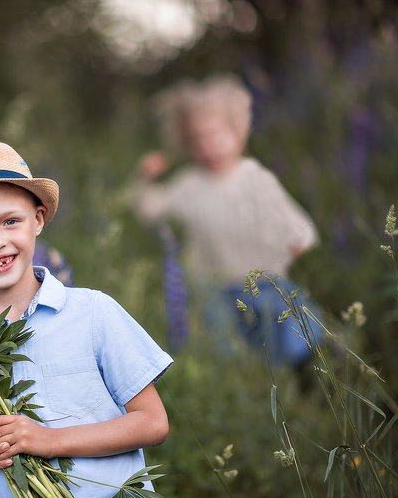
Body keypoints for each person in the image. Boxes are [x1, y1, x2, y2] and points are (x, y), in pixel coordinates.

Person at [0, 140, 173, 498]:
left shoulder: (92, 312)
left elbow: (152, 423)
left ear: (38, 219)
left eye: (10, 221)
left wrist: (49, 440)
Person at [132, 74, 321, 368]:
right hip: (213, 286)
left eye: (216, 135)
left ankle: (296, 380)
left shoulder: (254, 178)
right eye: (197, 139)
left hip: (264, 280)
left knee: (286, 337)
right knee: (226, 350)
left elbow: (296, 222)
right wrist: (144, 178)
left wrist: (297, 241)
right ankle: (243, 388)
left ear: (238, 131)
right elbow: (148, 209)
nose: (209, 146)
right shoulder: (188, 185)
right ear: (186, 142)